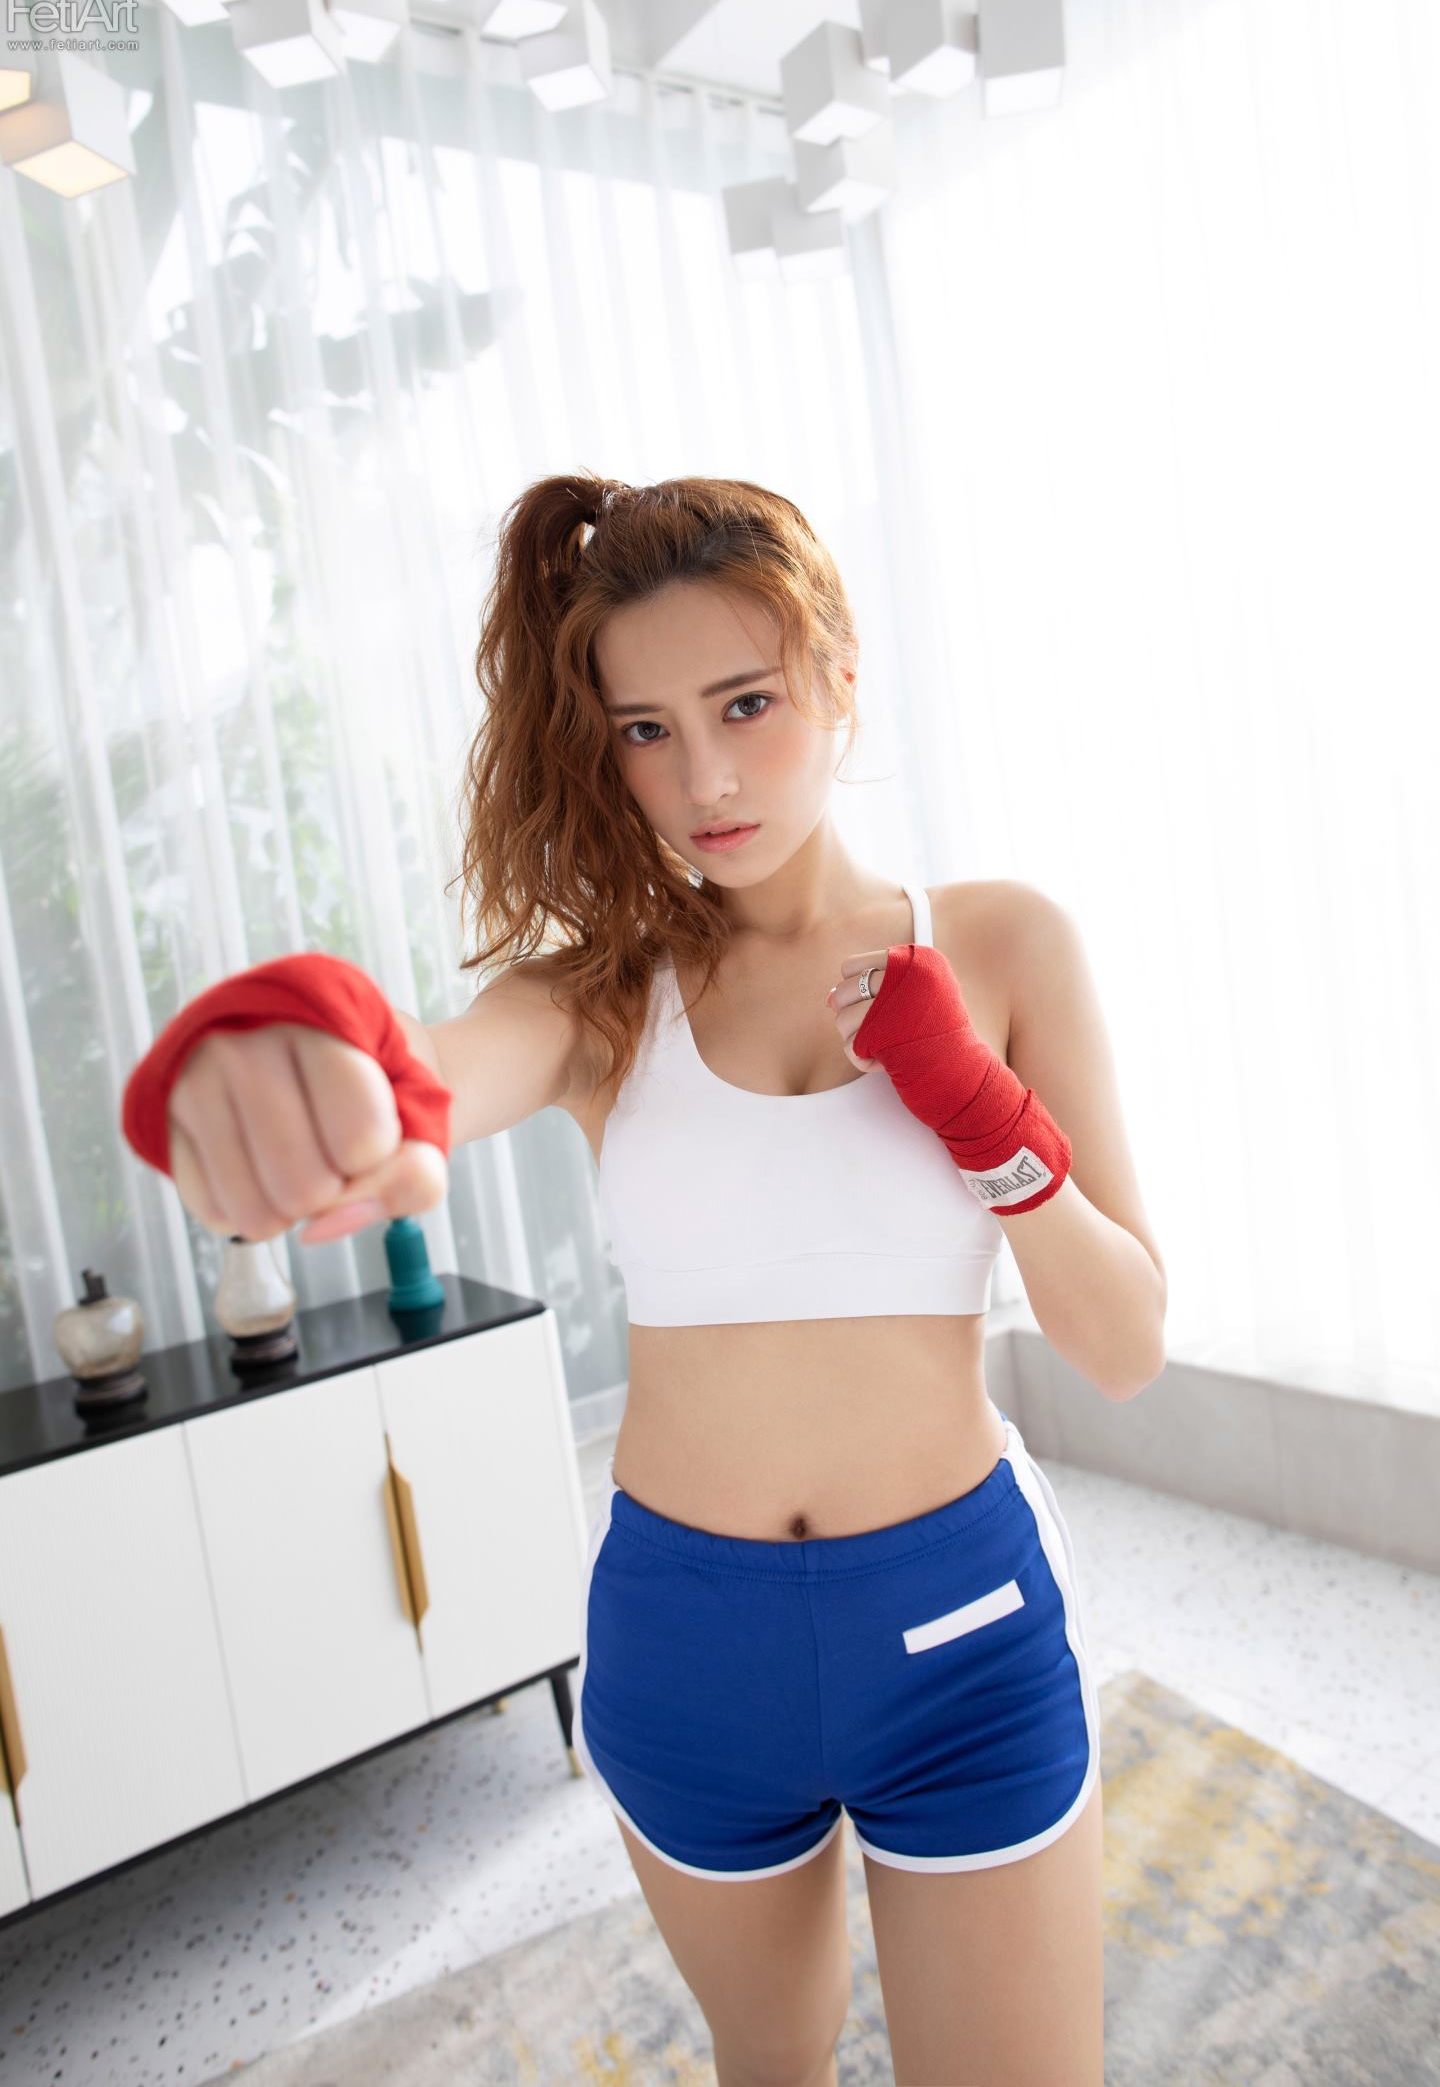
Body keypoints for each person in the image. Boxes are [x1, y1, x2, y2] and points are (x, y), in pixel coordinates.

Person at [122, 473, 1167, 2087]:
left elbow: (1124, 1345)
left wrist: (978, 1104)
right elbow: (425, 1073)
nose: (704, 779)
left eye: (746, 703)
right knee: (772, 2069)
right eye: (646, 731)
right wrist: (301, 1039)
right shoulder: (609, 992)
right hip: (689, 1649)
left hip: (959, 1627)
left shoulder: (1006, 942)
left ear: (839, 673)